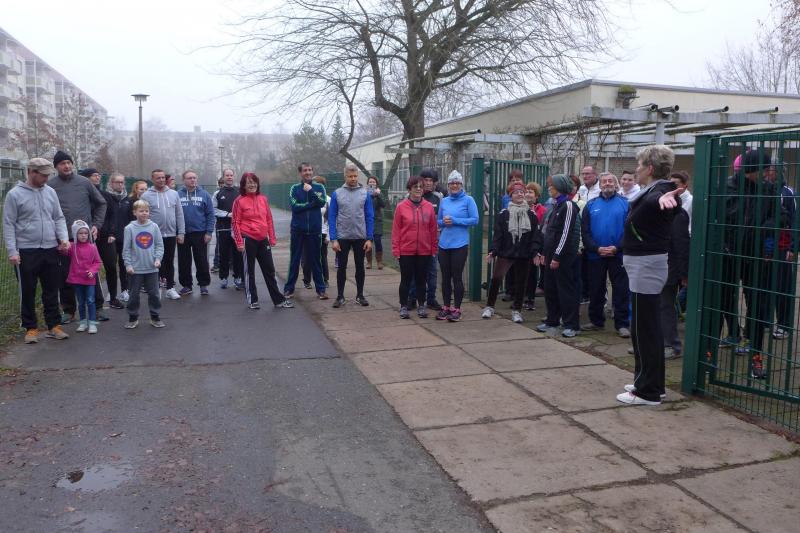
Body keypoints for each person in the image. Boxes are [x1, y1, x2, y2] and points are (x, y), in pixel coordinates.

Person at [617, 145, 684, 406]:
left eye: (640, 165)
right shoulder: (653, 190)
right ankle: (649, 382)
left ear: (651, 168)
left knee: (644, 328)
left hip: (647, 266)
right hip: (643, 265)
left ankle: (648, 392)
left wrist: (665, 202)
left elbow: (665, 201)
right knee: (645, 327)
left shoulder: (661, 191)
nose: (637, 169)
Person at [3, 158, 70, 343]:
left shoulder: (50, 192)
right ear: (31, 172)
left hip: (50, 248)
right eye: (43, 175)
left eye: (48, 175)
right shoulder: (14, 195)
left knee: (51, 289)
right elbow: (9, 224)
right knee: (28, 290)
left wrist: (63, 239)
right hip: (26, 250)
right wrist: (12, 251)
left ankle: (53, 325)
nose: (47, 179)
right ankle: (30, 328)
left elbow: (58, 217)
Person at [48, 151, 107, 324]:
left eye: (69, 162)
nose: (66, 166)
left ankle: (97, 308)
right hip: (63, 239)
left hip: (84, 239)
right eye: (62, 163)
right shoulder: (51, 186)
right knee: (65, 274)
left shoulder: (84, 182)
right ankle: (69, 310)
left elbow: (101, 203)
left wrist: (96, 224)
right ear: (56, 167)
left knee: (91, 273)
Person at [232, 172, 294, 310]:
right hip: (247, 239)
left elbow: (269, 219)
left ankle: (279, 300)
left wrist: (272, 237)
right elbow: (235, 222)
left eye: (254, 182)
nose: (252, 184)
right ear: (243, 185)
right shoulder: (239, 201)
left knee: (270, 270)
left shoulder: (263, 199)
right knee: (249, 272)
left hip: (263, 240)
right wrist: (239, 242)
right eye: (249, 182)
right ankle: (253, 300)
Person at [482, 182, 543, 323]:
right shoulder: (503, 214)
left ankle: (517, 310)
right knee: (496, 278)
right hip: (506, 253)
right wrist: (493, 251)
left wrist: (535, 252)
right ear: (511, 196)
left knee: (521, 283)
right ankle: (489, 307)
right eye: (516, 192)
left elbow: (535, 236)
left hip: (523, 254)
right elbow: (498, 236)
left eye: (522, 192)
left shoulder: (531, 215)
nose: (520, 194)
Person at [580, 172, 631, 337]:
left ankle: (622, 324)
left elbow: (630, 231)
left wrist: (617, 247)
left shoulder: (626, 204)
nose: (607, 183)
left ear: (616, 184)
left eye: (610, 181)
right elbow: (585, 231)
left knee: (621, 290)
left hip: (618, 255)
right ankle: (596, 321)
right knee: (596, 289)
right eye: (604, 181)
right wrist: (596, 248)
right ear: (600, 185)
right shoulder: (590, 205)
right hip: (596, 255)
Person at [537, 174, 581, 337]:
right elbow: (549, 232)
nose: (549, 188)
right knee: (550, 289)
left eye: (552, 186)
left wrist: (557, 256)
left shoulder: (568, 206)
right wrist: (544, 253)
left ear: (560, 188)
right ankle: (552, 320)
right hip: (550, 255)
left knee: (565, 290)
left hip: (562, 257)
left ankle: (571, 324)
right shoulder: (556, 205)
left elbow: (566, 234)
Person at [392, 176, 439, 319]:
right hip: (406, 250)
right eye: (415, 187)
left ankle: (422, 305)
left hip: (424, 250)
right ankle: (403, 306)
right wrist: (396, 249)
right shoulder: (401, 207)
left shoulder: (429, 207)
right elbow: (396, 230)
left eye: (420, 187)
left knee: (421, 279)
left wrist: (433, 248)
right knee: (406, 279)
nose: (418, 189)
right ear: (409, 189)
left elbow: (433, 229)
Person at [329, 163, 374, 308]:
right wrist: (333, 239)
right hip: (342, 237)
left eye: (355, 176)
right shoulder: (337, 193)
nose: (353, 179)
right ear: (345, 176)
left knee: (360, 266)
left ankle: (360, 295)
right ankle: (340, 296)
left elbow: (369, 216)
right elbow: (332, 216)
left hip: (360, 237)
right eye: (350, 176)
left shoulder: (365, 194)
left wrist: (369, 238)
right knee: (341, 267)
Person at [436, 170, 479, 322]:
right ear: (448, 185)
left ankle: (457, 309)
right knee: (445, 277)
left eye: (457, 183)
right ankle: (446, 306)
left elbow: (475, 219)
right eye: (451, 183)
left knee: (457, 277)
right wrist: (443, 222)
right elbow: (438, 221)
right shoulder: (444, 201)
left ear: (461, 184)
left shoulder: (468, 200)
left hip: (460, 244)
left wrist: (455, 220)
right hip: (444, 244)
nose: (454, 185)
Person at [284, 162, 327, 299]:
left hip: (314, 230)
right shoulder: (294, 188)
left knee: (316, 260)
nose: (308, 172)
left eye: (309, 170)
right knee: (294, 260)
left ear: (312, 171)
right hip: (298, 230)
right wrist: (311, 204)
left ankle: (321, 290)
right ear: (300, 173)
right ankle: (289, 289)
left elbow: (322, 202)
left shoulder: (319, 187)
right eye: (305, 170)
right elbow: (294, 207)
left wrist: (311, 191)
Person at [142, 169, 185, 300]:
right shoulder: (146, 196)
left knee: (169, 261)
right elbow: (142, 216)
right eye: (158, 178)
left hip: (171, 234)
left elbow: (179, 214)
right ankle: (156, 289)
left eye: (162, 178)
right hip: (154, 235)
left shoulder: (173, 194)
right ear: (152, 179)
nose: (161, 180)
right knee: (155, 262)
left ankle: (170, 288)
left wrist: (181, 232)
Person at [122, 199, 165, 328]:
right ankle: (133, 317)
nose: (144, 213)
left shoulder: (154, 227)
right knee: (133, 295)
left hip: (152, 268)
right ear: (134, 212)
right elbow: (126, 249)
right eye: (141, 211)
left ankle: (155, 317)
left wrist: (158, 259)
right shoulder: (129, 228)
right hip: (135, 269)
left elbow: (159, 245)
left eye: (146, 211)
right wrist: (128, 265)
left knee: (154, 294)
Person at [77, 168, 113, 317]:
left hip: (101, 235)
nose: (98, 178)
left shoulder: (103, 195)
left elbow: (110, 214)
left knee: (98, 269)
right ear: (86, 178)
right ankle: (75, 308)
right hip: (81, 235)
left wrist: (103, 228)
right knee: (79, 270)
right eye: (94, 175)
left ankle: (99, 305)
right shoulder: (80, 193)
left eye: (99, 175)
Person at [408, 167, 443, 310]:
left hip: (432, 243)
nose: (428, 183)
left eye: (431, 180)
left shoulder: (439, 198)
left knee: (432, 272)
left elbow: (441, 218)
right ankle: (412, 298)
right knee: (414, 272)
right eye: (425, 180)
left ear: (435, 183)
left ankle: (431, 299)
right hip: (415, 243)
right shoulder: (412, 196)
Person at [660, 194, 690, 358]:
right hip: (658, 266)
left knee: (666, 306)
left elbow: (681, 245)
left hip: (670, 268)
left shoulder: (678, 216)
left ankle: (672, 345)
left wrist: (684, 274)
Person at [177, 170, 215, 296]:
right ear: (184, 180)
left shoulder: (204, 194)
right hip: (183, 233)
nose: (192, 180)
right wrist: (178, 232)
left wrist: (209, 232)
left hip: (200, 233)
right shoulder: (178, 195)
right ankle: (186, 285)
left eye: (194, 178)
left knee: (201, 260)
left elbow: (210, 214)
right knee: (184, 261)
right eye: (189, 178)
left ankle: (203, 285)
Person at [66, 220, 103, 334]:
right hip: (77, 280)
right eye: (80, 233)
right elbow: (63, 251)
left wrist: (92, 271)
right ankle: (82, 322)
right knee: (81, 302)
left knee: (91, 301)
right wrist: (62, 245)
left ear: (89, 234)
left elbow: (98, 262)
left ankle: (92, 323)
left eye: (86, 233)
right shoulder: (72, 247)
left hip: (89, 280)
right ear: (75, 234)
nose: (83, 235)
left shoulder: (92, 247)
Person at [116, 180, 148, 303]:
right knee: (128, 262)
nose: (144, 191)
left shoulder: (147, 202)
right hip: (131, 235)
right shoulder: (130, 202)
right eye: (141, 189)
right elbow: (127, 219)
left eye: (145, 189)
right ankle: (127, 288)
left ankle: (141, 284)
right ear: (135, 190)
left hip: (143, 235)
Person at [214, 169, 243, 290]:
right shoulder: (218, 193)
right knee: (224, 255)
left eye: (231, 175)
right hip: (223, 229)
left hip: (238, 230)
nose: (229, 177)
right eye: (227, 175)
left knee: (238, 255)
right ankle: (223, 278)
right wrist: (227, 214)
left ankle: (238, 278)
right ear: (224, 177)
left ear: (234, 177)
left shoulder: (240, 192)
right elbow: (213, 210)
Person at [104, 172, 128, 309]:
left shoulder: (127, 199)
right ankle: (111, 292)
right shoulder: (105, 197)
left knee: (124, 265)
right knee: (111, 266)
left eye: (122, 182)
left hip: (125, 237)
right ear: (111, 183)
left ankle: (125, 290)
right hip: (110, 238)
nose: (120, 184)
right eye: (117, 182)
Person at [302, 175, 331, 289]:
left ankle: (325, 279)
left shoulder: (328, 200)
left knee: (322, 257)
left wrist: (329, 235)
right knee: (307, 257)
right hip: (308, 232)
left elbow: (330, 218)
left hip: (322, 232)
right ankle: (307, 280)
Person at [523, 182, 547, 311]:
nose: (528, 194)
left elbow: (543, 230)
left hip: (536, 245)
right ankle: (520, 297)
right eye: (526, 192)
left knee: (532, 273)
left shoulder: (542, 210)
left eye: (531, 192)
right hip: (522, 245)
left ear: (536, 196)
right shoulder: (519, 208)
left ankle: (530, 299)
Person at [365, 176, 386, 270]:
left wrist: (378, 195)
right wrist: (370, 195)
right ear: (367, 183)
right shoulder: (365, 193)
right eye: (370, 182)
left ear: (376, 184)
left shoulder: (379, 193)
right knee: (368, 241)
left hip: (377, 221)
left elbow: (383, 204)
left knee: (377, 241)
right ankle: (369, 261)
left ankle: (379, 261)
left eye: (373, 182)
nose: (372, 183)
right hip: (367, 221)